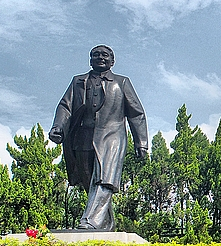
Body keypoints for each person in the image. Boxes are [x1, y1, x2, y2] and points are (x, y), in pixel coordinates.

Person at [49, 45, 149, 231]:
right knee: (89, 180)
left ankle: (90, 221)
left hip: (112, 136)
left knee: (104, 178)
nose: (100, 58)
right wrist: (58, 127)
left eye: (104, 55)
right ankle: (105, 223)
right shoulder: (78, 81)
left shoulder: (122, 82)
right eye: (95, 55)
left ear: (112, 61)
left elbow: (136, 113)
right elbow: (65, 106)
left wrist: (141, 143)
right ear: (90, 60)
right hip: (83, 136)